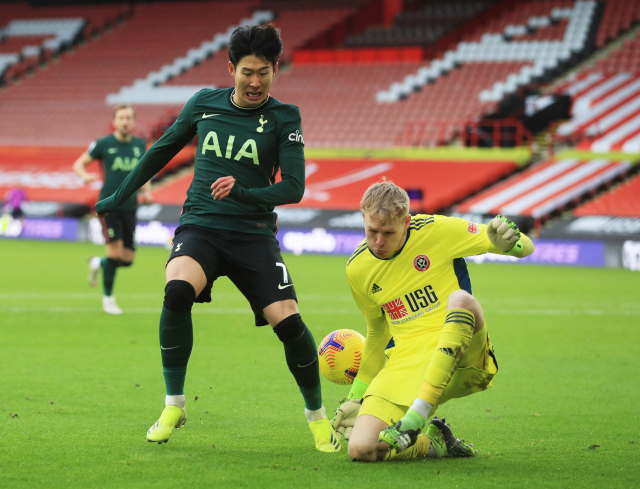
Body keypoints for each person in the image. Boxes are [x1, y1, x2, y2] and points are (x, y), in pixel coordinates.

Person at [94, 24, 340, 452]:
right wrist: (119, 195)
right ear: (231, 68)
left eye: (264, 71)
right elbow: (161, 150)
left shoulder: (285, 117)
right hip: (201, 226)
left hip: (254, 234)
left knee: (289, 322)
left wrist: (244, 193)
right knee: (176, 290)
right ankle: (174, 403)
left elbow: (294, 187)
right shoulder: (203, 104)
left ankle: (317, 417)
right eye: (247, 71)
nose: (255, 81)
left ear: (276, 69)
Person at [332, 180, 534, 462]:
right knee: (361, 448)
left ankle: (417, 416)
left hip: (462, 351)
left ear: (407, 221)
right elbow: (377, 333)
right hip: (407, 361)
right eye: (372, 231)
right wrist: (357, 396)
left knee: (460, 300)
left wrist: (512, 245)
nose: (378, 242)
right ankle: (434, 442)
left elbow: (526, 247)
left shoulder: (438, 231)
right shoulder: (357, 268)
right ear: (363, 218)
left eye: (388, 233)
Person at [73, 104, 153, 314]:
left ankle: (98, 263)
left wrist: (147, 192)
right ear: (114, 121)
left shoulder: (139, 145)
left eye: (128, 118)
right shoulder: (104, 143)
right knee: (115, 254)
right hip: (109, 206)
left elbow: (144, 172)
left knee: (127, 259)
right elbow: (79, 164)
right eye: (121, 118)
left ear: (134, 122)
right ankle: (108, 299)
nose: (125, 121)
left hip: (130, 206)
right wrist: (84, 176)